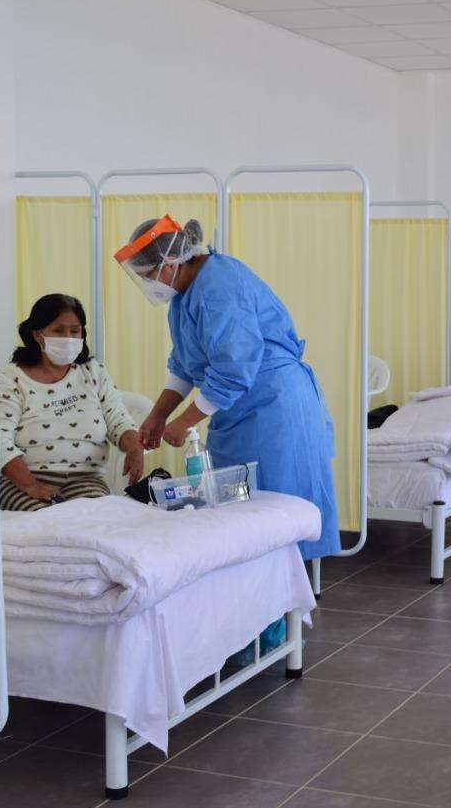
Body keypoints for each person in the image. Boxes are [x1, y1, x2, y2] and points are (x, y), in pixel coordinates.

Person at [115, 215, 339, 561]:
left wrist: (183, 422)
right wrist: (158, 416)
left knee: (277, 505)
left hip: (274, 406)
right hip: (237, 407)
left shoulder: (219, 288)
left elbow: (234, 370)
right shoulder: (184, 297)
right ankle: (255, 594)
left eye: (148, 274)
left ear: (171, 262)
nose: (147, 283)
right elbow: (186, 365)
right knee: (237, 508)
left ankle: (286, 599)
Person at [0, 294, 144, 511]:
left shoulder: (93, 372)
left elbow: (119, 421)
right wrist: (31, 485)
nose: (68, 338)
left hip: (85, 479)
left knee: (95, 516)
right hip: (25, 481)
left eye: (75, 331)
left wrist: (134, 447)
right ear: (37, 334)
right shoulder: (11, 378)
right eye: (58, 330)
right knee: (46, 522)